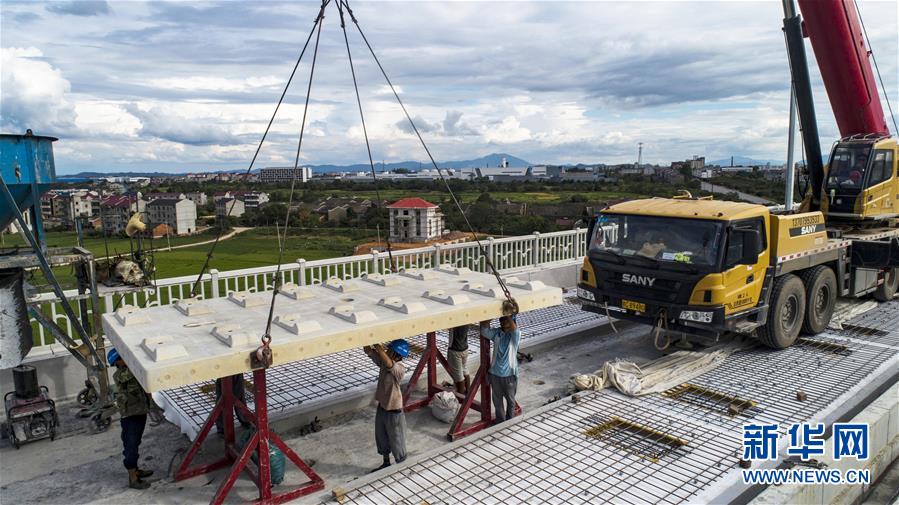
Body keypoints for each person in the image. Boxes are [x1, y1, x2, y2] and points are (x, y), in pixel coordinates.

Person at [108, 348, 153, 490]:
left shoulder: (129, 369)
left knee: (136, 442)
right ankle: (133, 479)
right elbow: (137, 371)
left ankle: (136, 470)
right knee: (131, 446)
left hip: (139, 412)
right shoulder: (120, 375)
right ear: (118, 362)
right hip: (130, 416)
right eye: (123, 357)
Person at [363, 339, 409, 471]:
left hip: (394, 410)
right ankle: (386, 462)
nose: (387, 352)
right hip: (382, 407)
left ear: (396, 354)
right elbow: (369, 351)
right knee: (381, 436)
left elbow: (389, 364)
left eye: (389, 350)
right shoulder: (384, 363)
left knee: (397, 440)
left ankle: (402, 466)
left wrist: (378, 346)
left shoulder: (399, 368)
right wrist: (366, 338)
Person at [480, 315, 521, 423]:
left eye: (505, 320)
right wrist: (488, 313)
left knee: (510, 401)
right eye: (500, 319)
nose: (502, 322)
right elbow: (484, 331)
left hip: (509, 375)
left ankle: (509, 421)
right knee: (497, 401)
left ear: (511, 320)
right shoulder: (497, 333)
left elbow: (515, 329)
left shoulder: (515, 336)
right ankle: (500, 421)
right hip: (495, 374)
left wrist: (508, 316)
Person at [447, 325, 471, 394]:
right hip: (465, 348)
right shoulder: (466, 318)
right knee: (465, 369)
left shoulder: (455, 321)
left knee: (459, 375)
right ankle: (468, 392)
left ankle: (461, 396)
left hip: (455, 350)